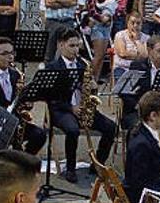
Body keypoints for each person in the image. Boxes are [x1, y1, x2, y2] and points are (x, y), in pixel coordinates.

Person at [46, 28, 118, 183]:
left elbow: (90, 91)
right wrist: (71, 108)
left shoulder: (82, 64)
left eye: (77, 46)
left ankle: (97, 164)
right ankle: (70, 169)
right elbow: (51, 98)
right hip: (62, 110)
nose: (75, 50)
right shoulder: (52, 67)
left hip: (83, 107)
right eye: (72, 46)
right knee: (72, 130)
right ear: (60, 45)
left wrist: (93, 86)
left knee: (111, 127)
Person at [0, 37, 46, 155]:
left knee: (40, 135)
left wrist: (26, 104)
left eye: (12, 53)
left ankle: (23, 162)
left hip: (14, 121)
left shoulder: (16, 75)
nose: (11, 57)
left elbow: (20, 100)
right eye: (5, 53)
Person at [123, 91, 160, 203]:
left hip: (149, 187)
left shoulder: (144, 131)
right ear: (153, 116)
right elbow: (140, 183)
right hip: (142, 199)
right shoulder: (142, 144)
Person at [112, 12, 149, 79]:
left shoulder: (146, 38)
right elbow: (123, 54)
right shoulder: (120, 35)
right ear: (127, 23)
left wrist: (136, 40)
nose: (135, 26)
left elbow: (145, 56)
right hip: (122, 67)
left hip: (139, 68)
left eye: (138, 23)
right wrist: (138, 55)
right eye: (132, 23)